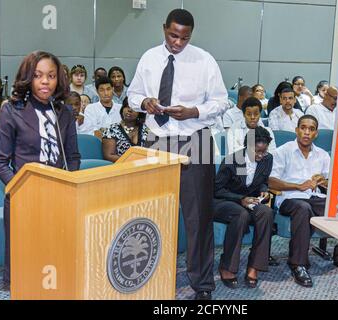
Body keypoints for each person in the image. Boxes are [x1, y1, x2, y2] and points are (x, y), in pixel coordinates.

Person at [127, 8, 228, 300]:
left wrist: (194, 111)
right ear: (164, 29)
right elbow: (132, 95)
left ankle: (203, 286)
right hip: (157, 142)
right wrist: (144, 101)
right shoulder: (148, 58)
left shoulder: (204, 60)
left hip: (195, 140)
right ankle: (153, 277)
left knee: (198, 218)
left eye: (184, 38)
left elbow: (221, 102)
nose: (178, 43)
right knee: (153, 215)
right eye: (173, 35)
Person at [0, 50, 81, 285]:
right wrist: (21, 189)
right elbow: (0, 161)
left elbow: (73, 156)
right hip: (24, 196)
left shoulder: (64, 112)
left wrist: (69, 185)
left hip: (59, 195)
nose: (45, 81)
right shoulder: (12, 110)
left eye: (51, 76)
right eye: (38, 75)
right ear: (28, 78)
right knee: (26, 267)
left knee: (55, 258)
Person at [269, 115, 338, 288]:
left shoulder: (322, 155)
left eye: (311, 129)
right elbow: (271, 181)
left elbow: (333, 184)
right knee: (303, 207)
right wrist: (298, 186)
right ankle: (298, 264)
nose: (306, 132)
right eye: (303, 127)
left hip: (315, 198)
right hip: (289, 198)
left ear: (316, 133)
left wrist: (323, 181)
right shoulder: (283, 151)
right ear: (297, 130)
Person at [213, 126, 274, 289]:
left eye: (264, 151)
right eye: (257, 151)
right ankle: (227, 266)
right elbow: (218, 190)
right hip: (225, 201)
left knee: (267, 213)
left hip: (250, 201)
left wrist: (264, 191)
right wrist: (241, 199)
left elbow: (263, 181)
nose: (261, 156)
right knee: (241, 214)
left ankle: (254, 266)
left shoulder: (268, 159)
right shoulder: (233, 160)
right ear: (248, 146)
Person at [102, 97, 148, 162]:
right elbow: (108, 156)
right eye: (126, 106)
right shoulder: (111, 129)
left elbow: (152, 152)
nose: (129, 110)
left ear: (140, 113)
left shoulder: (147, 129)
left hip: (144, 167)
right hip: (121, 168)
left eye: (134, 108)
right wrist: (133, 161)